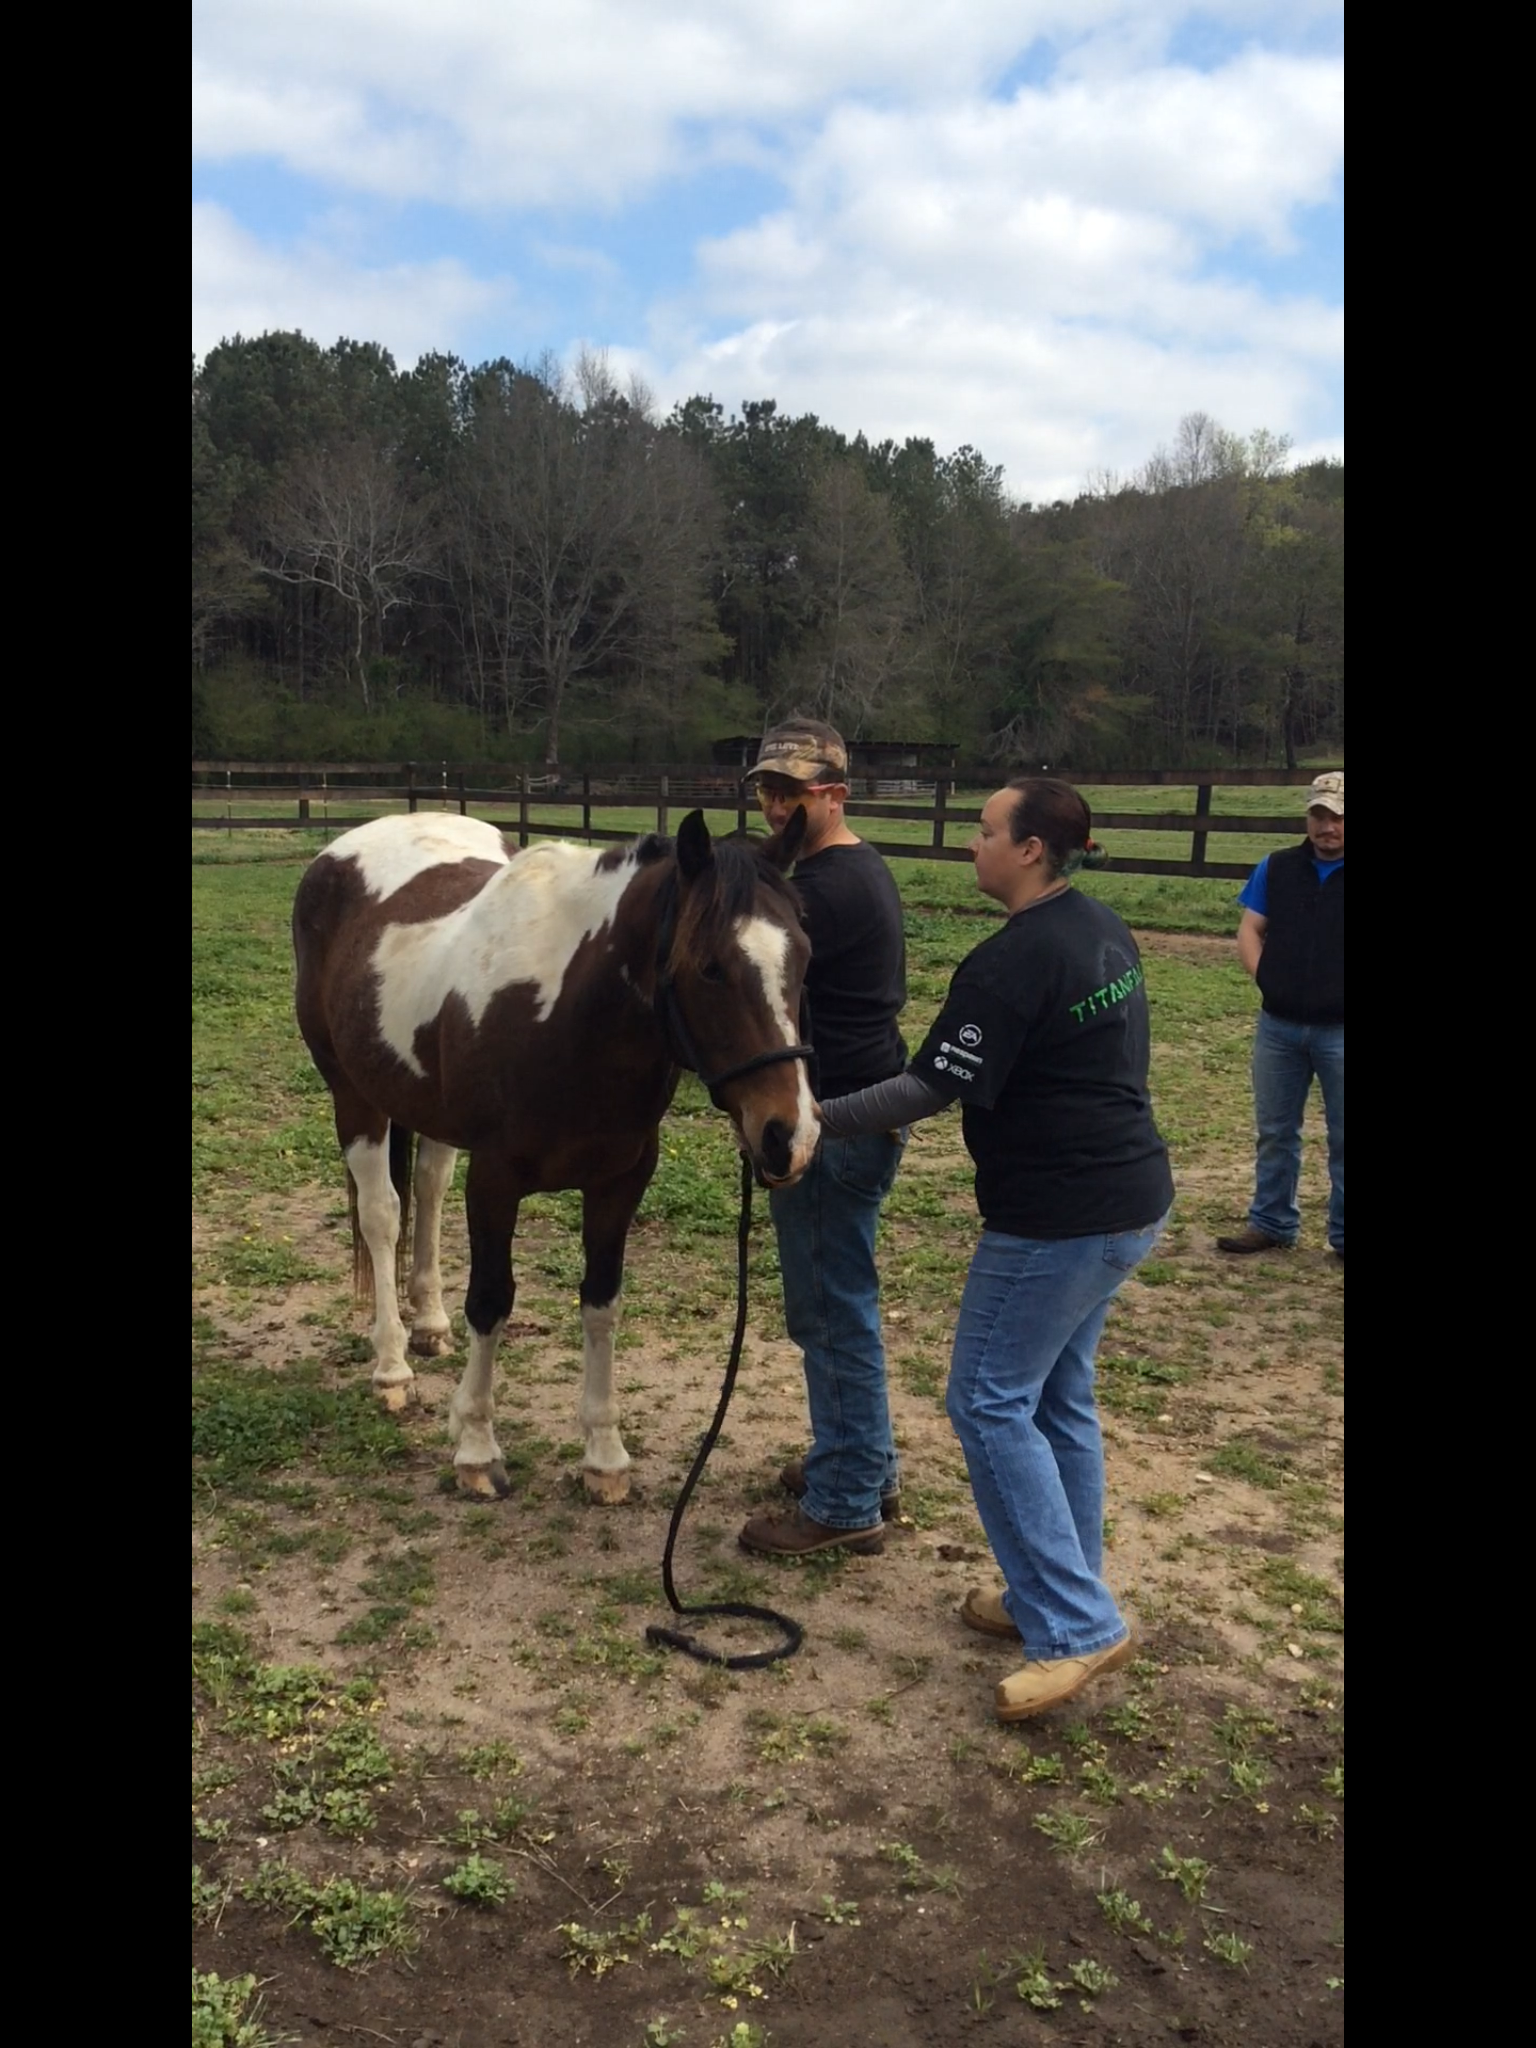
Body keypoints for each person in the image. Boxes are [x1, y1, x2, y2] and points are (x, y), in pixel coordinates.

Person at [815, 778, 1174, 1721]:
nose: (971, 846)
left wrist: (813, 1121)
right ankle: (1050, 1594)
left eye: (983, 832)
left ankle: (1077, 1625)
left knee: (986, 1398)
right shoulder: (1101, 927)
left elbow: (924, 1088)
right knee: (1058, 1400)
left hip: (1059, 1221)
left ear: (1030, 851)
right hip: (1129, 1200)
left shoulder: (1007, 964)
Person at [735, 720, 910, 1559]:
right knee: (844, 1299)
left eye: (793, 793)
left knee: (830, 1311)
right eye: (769, 791)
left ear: (833, 795)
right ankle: (863, 1464)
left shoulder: (818, 894)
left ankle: (846, 1504)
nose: (777, 807)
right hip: (861, 1105)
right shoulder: (854, 869)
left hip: (833, 1118)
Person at [1216, 772, 1344, 1260]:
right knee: (1274, 1130)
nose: (1326, 826)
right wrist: (1264, 977)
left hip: (1341, 1030)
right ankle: (1270, 1222)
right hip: (1280, 1027)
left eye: (1336, 817)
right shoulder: (1278, 867)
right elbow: (1251, 927)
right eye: (1318, 815)